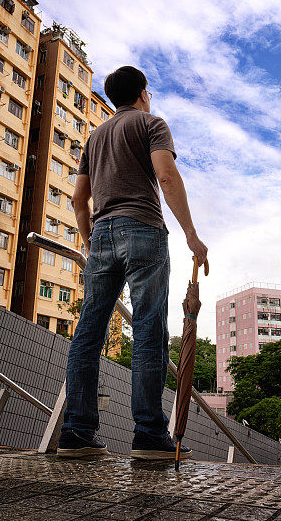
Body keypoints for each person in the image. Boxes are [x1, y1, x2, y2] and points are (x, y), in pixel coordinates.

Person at [57, 66, 208, 460]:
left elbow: (78, 199)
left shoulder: (95, 136)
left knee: (88, 332)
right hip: (143, 230)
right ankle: (147, 434)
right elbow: (167, 176)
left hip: (102, 233)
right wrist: (192, 235)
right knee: (148, 330)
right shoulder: (152, 124)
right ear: (142, 92)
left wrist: (91, 240)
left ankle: (76, 431)